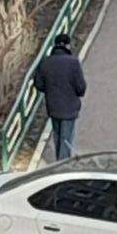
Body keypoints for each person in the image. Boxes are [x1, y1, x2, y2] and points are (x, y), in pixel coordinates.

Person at [33, 32, 87, 160]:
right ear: (67, 45)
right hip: (70, 107)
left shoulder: (45, 62)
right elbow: (81, 87)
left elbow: (39, 84)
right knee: (66, 139)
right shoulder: (73, 62)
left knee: (57, 136)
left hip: (53, 106)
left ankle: (59, 162)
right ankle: (63, 167)